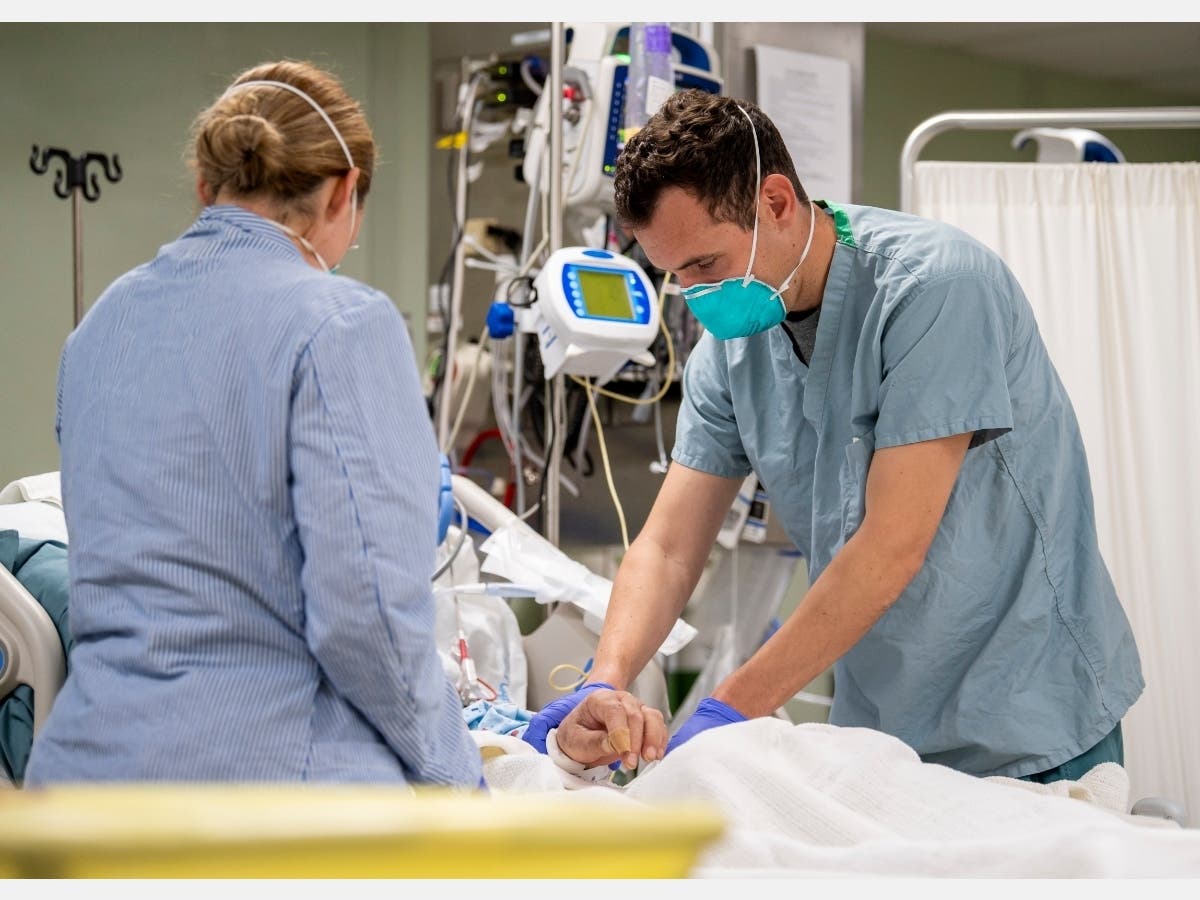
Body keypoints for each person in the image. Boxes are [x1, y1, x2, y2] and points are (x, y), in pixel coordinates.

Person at [523, 89, 1144, 783]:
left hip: (1029, 710)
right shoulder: (730, 353)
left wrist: (727, 715)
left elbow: (891, 545)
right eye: (675, 277)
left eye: (704, 265)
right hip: (883, 729)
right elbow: (668, 547)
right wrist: (602, 681)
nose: (693, 294)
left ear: (777, 203)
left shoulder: (935, 289)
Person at [25, 60, 481, 788]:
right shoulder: (340, 324)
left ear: (207, 187)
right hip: (264, 796)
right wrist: (460, 784)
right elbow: (368, 621)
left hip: (86, 783)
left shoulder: (100, 326)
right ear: (343, 193)